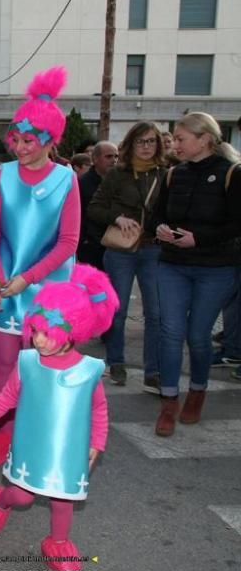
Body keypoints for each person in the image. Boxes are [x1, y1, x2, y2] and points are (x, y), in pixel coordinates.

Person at [0, 264, 116, 571]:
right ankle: (2, 500)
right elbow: (8, 397)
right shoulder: (27, 362)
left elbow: (99, 410)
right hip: (30, 444)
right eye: (35, 331)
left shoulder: (89, 370)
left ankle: (58, 540)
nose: (37, 340)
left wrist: (97, 443)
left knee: (63, 499)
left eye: (47, 334)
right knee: (23, 495)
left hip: (68, 449)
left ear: (73, 332)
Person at [0, 65, 80, 467]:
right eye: (16, 139)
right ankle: (5, 432)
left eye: (29, 140)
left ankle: (36, 432)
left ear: (49, 140)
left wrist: (30, 278)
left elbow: (69, 242)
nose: (20, 147)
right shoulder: (0, 177)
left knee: (42, 362)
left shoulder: (66, 180)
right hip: (5, 284)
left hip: (47, 287)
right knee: (5, 361)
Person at [152, 112, 241, 436]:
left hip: (215, 269)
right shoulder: (173, 174)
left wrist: (199, 238)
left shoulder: (232, 173)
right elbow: (156, 215)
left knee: (198, 336)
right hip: (172, 264)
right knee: (171, 332)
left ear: (204, 139)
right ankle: (169, 401)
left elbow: (236, 223)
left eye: (181, 138)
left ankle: (198, 391)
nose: (174, 144)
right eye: (174, 138)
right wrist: (159, 227)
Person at [87, 122, 166, 391]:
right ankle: (116, 362)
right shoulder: (117, 174)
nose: (146, 147)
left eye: (151, 141)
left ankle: (152, 371)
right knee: (118, 311)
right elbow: (94, 208)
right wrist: (117, 217)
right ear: (131, 144)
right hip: (121, 250)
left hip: (154, 248)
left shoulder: (167, 174)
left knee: (155, 313)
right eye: (141, 141)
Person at [76, 141, 118, 270]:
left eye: (116, 156)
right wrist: (83, 240)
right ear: (95, 159)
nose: (114, 160)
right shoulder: (82, 184)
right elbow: (78, 215)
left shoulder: (120, 181)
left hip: (115, 244)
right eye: (109, 156)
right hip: (91, 245)